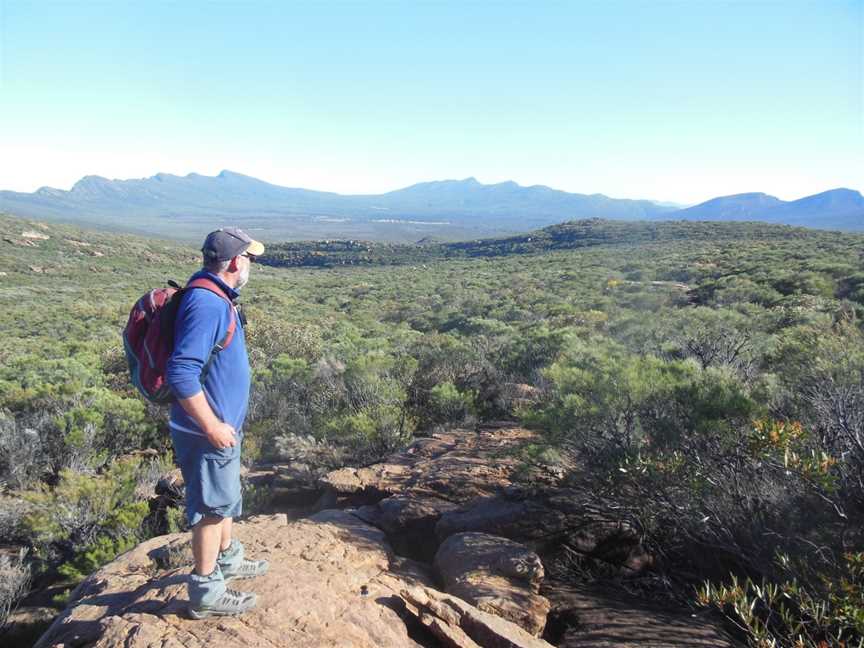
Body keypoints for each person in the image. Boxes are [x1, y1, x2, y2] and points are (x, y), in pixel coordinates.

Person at [166, 227, 269, 619]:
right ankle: (206, 592)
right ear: (234, 262)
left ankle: (228, 558)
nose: (250, 266)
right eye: (249, 259)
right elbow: (181, 373)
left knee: (223, 499)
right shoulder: (208, 303)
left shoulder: (216, 297)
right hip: (206, 430)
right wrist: (211, 426)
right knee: (211, 508)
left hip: (220, 427)